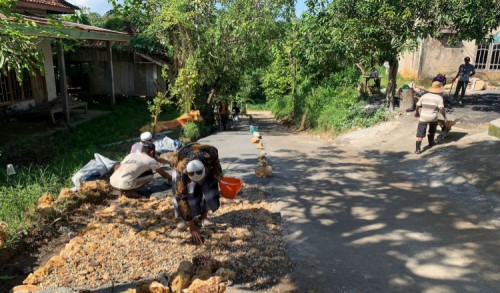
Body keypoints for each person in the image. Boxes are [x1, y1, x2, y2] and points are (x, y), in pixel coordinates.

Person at [171, 143, 222, 244]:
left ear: (205, 169)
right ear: (188, 176)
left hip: (202, 155)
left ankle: (203, 217)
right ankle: (185, 218)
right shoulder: (181, 172)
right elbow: (181, 197)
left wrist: (219, 180)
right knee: (186, 193)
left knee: (211, 187)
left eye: (200, 179)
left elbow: (217, 172)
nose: (198, 182)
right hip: (181, 159)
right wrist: (191, 226)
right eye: (195, 180)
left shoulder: (211, 154)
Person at [414, 81, 448, 154]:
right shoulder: (439, 98)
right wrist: (444, 116)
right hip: (433, 117)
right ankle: (431, 143)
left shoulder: (424, 96)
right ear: (439, 90)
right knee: (432, 130)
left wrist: (417, 112)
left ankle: (417, 149)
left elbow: (417, 105)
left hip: (423, 117)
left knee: (420, 134)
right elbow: (441, 109)